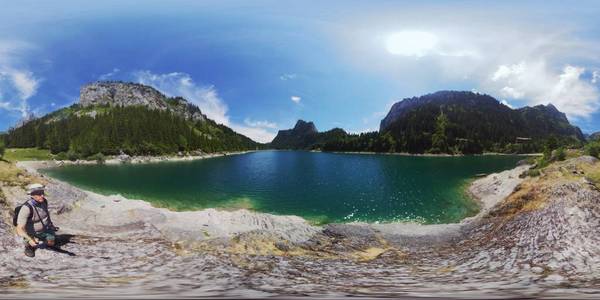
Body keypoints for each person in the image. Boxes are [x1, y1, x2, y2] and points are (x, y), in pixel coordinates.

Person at [16, 183, 58, 257]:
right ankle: (28, 247)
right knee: (31, 242)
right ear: (32, 195)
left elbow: (46, 215)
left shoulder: (44, 201)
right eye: (39, 194)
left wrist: (51, 225)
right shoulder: (26, 208)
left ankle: (45, 239)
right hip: (32, 232)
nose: (42, 195)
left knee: (51, 242)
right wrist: (29, 239)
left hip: (46, 229)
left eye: (42, 193)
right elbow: (19, 229)